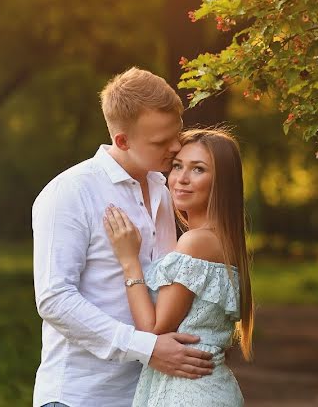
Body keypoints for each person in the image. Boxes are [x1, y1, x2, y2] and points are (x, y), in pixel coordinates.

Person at [32, 68, 215, 407]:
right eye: (161, 142)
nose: (176, 148)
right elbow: (54, 298)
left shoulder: (164, 189)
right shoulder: (70, 192)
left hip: (149, 394)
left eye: (177, 134)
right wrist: (145, 348)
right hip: (81, 396)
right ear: (122, 141)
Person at [103, 128, 254, 406]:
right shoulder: (221, 240)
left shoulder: (197, 242)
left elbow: (153, 330)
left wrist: (129, 261)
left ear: (222, 182)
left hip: (190, 394)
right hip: (202, 388)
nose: (181, 179)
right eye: (177, 166)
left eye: (198, 169)